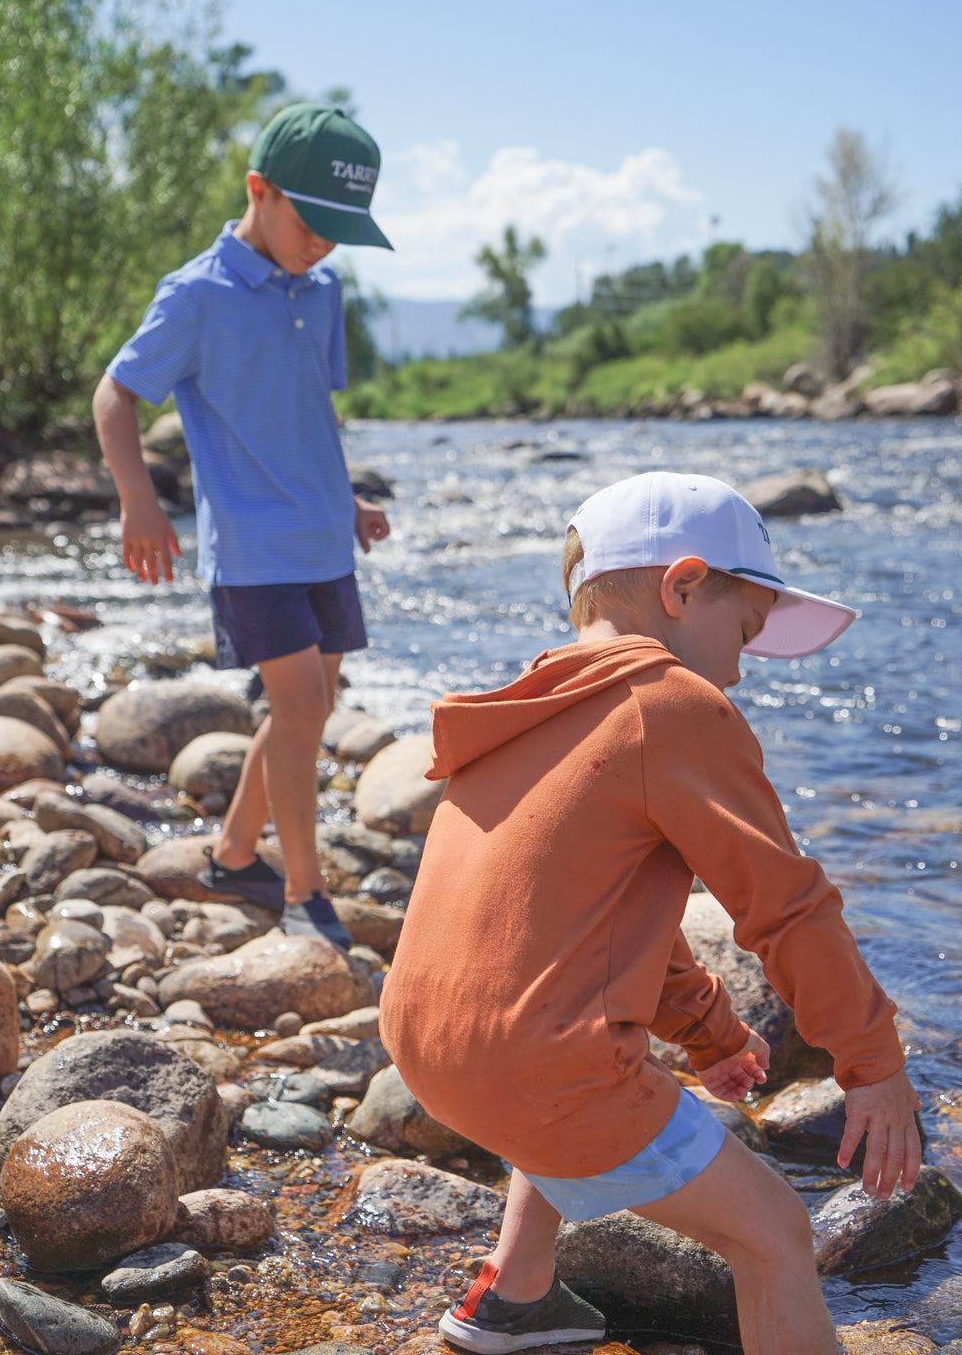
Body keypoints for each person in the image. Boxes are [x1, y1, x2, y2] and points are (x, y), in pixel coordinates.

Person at [379, 471, 921, 1355]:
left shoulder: (528, 707)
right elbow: (785, 907)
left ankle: (514, 1297)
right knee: (775, 1235)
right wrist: (873, 1064)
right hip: (534, 1067)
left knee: (547, 1041)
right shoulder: (671, 706)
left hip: (427, 1045)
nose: (743, 667)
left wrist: (709, 1034)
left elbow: (587, 928)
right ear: (682, 587)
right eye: (744, 632)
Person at [93, 103, 393, 949]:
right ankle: (305, 894)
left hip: (324, 535)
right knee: (299, 705)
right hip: (254, 548)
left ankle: (232, 853)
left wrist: (351, 498)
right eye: (314, 223)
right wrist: (139, 502)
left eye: (342, 230)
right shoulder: (197, 295)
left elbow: (311, 410)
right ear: (259, 189)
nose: (325, 245)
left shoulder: (323, 288)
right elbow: (114, 397)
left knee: (311, 705)